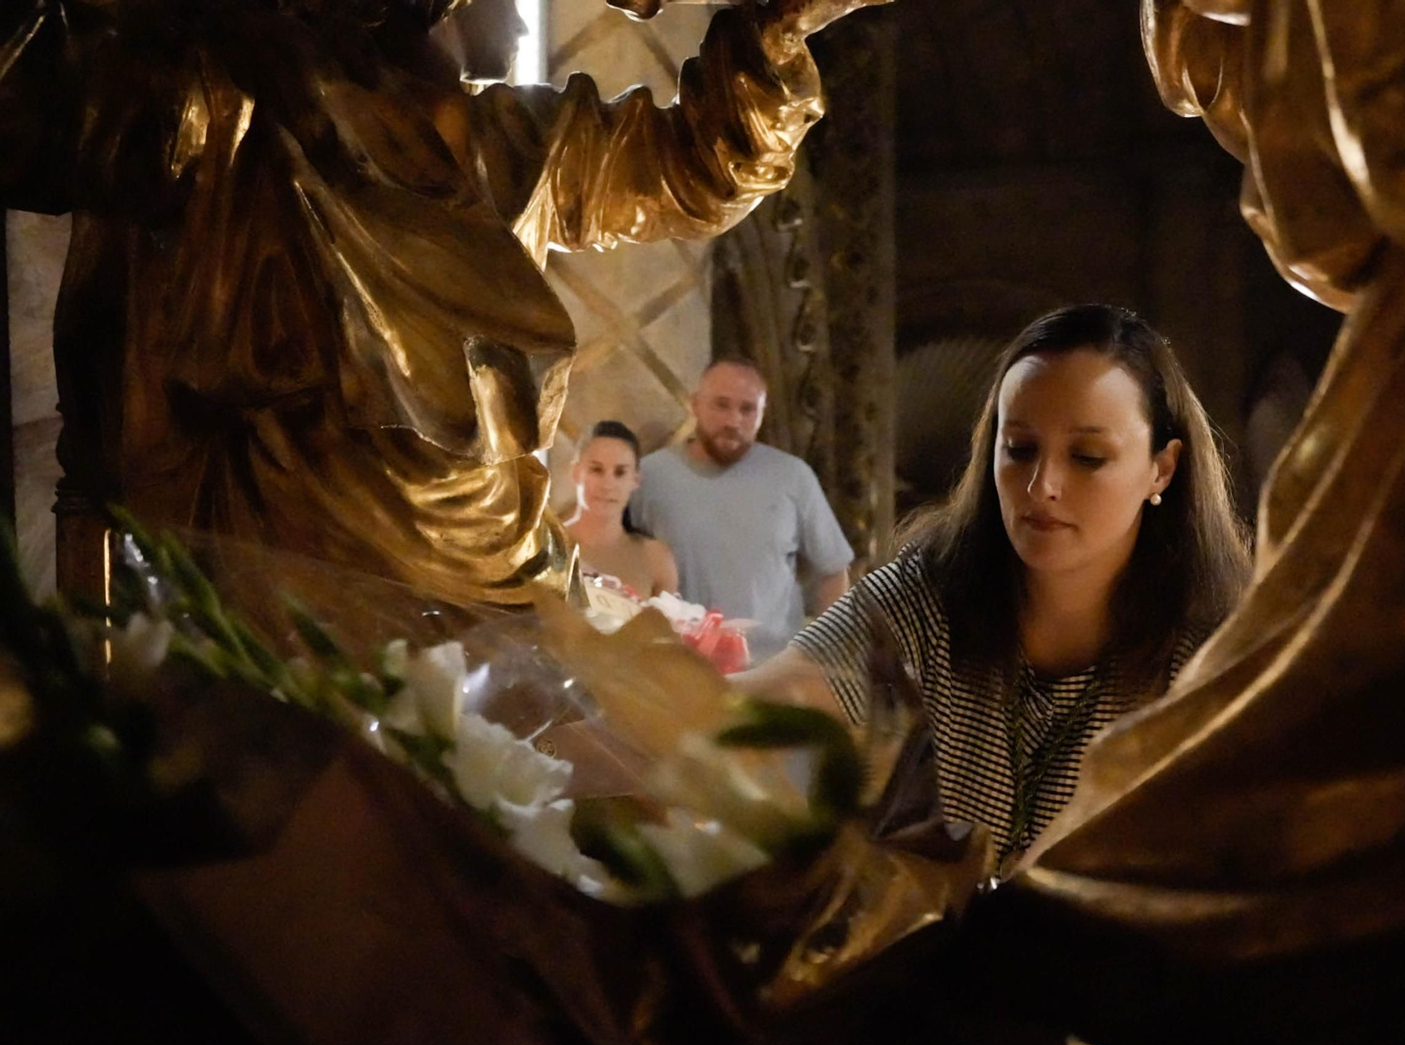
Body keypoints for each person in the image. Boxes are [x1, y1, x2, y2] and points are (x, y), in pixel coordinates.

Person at [0, 0, 887, 607]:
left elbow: (698, 168)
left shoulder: (521, 139)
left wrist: (775, 27)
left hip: (501, 588)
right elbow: (40, 111)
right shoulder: (218, 107)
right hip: (289, 591)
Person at [741, 304, 1251, 860]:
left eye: (1087, 456)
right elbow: (777, 701)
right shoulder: (931, 590)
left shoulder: (1212, 655)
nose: (1042, 485)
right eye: (1020, 449)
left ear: (1163, 468)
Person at [630, 360, 856, 663]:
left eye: (748, 409)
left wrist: (829, 655)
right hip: (679, 671)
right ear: (696, 404)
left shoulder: (792, 477)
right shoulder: (649, 476)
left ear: (762, 414)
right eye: (721, 405)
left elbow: (832, 570)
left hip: (772, 671)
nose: (733, 420)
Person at [565, 421, 678, 598]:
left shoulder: (656, 559)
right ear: (576, 473)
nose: (607, 485)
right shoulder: (545, 548)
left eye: (620, 473)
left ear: (635, 480)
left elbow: (670, 623)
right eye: (596, 470)